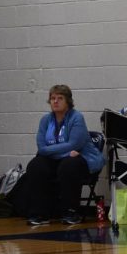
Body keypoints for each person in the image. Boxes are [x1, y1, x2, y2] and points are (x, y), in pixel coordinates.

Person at [24, 84, 105, 226]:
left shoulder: (77, 117)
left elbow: (74, 144)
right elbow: (41, 149)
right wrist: (65, 151)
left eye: (59, 98)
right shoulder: (45, 120)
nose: (55, 101)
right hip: (59, 159)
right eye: (52, 98)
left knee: (68, 165)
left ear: (68, 101)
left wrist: (55, 150)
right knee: (35, 165)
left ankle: (71, 212)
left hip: (83, 159)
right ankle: (40, 214)